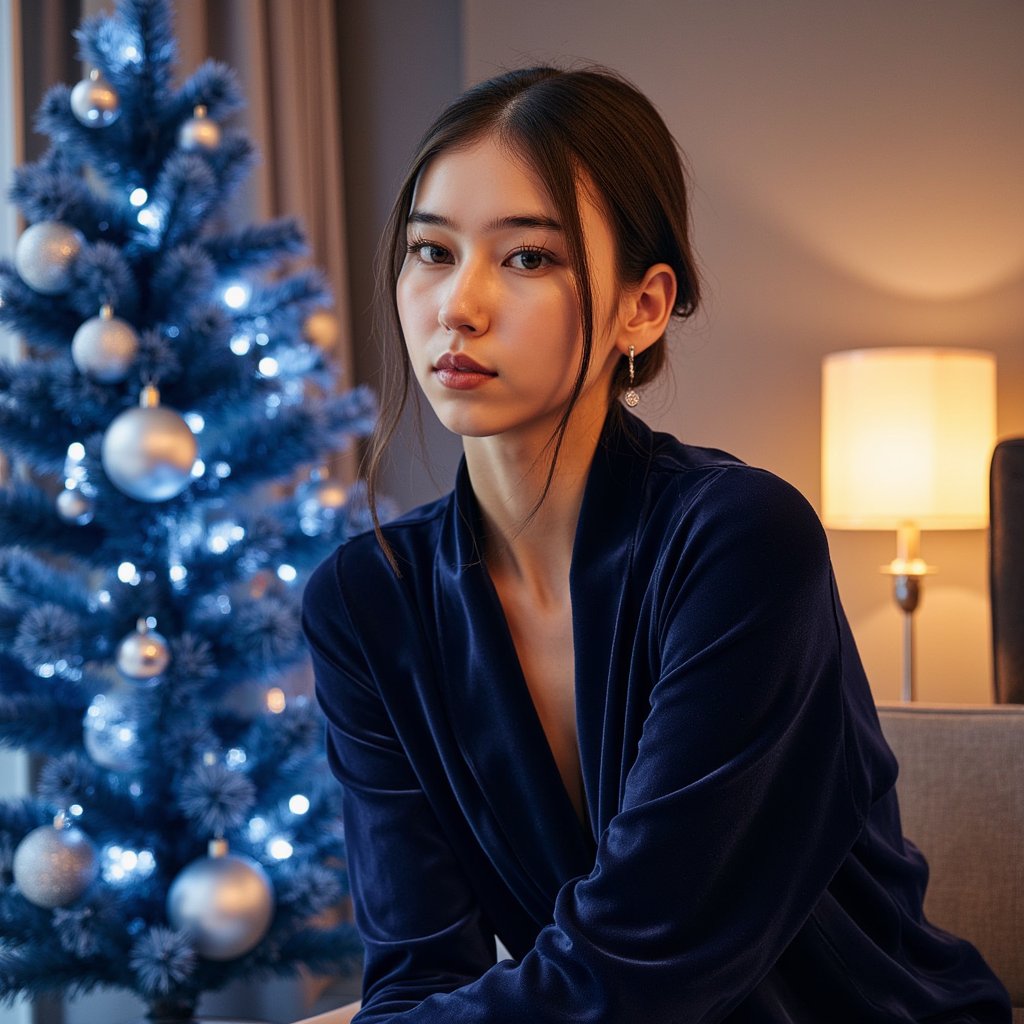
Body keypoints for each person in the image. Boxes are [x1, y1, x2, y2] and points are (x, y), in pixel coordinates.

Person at [300, 66, 1010, 1023]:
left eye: (527, 260)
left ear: (643, 306)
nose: (456, 306)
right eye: (431, 250)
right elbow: (419, 971)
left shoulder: (743, 542)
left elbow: (647, 964)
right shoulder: (365, 597)